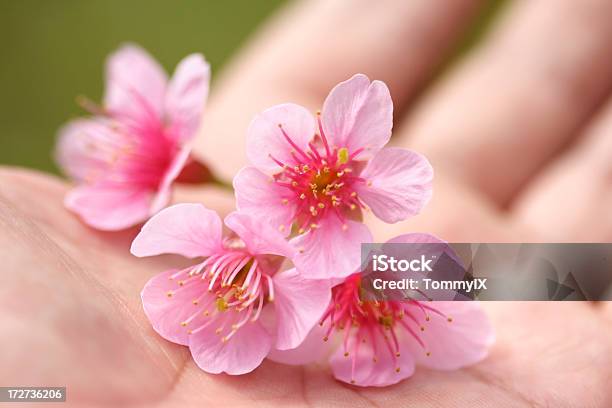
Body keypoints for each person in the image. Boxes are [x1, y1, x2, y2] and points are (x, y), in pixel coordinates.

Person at [1, 0, 611, 406]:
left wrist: (587, 271)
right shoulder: (318, 264)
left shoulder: (364, 263)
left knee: (490, 271)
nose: (324, 186)